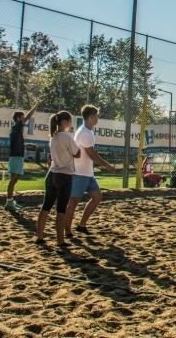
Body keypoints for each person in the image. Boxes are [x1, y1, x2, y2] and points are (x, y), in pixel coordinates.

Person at [65, 105, 116, 237]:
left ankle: (81, 225)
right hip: (79, 173)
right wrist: (107, 166)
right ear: (90, 117)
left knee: (97, 197)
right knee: (73, 202)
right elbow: (92, 155)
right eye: (96, 116)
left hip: (87, 173)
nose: (97, 119)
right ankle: (67, 231)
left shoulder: (88, 132)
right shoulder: (84, 133)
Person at [36, 111, 80, 247]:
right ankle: (60, 240)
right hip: (64, 174)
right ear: (63, 122)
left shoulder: (53, 136)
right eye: (69, 121)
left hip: (52, 173)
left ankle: (40, 236)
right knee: (61, 209)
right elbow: (77, 153)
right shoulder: (66, 137)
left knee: (46, 206)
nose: (70, 124)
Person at [5, 99, 42, 212]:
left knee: (15, 180)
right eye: (22, 117)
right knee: (13, 179)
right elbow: (29, 115)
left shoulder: (17, 130)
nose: (24, 118)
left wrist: (28, 145)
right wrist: (36, 105)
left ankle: (10, 201)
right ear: (18, 119)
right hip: (16, 157)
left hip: (18, 156)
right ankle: (9, 202)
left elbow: (18, 144)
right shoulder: (16, 127)